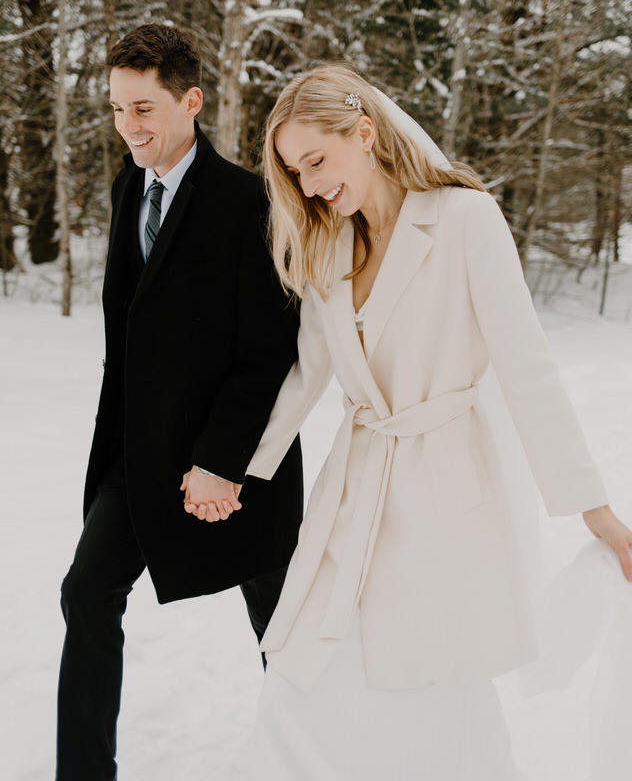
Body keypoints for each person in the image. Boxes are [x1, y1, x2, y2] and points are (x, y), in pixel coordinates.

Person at [244, 65, 632, 780]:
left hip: (446, 494)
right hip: (354, 491)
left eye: (317, 161)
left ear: (364, 133)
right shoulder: (330, 243)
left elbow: (528, 368)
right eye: (296, 171)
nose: (309, 184)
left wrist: (595, 511)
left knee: (439, 696)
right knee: (299, 681)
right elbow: (307, 371)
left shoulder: (463, 219)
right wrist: (237, 467)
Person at [56, 23, 303, 781]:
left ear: (190, 100)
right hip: (137, 460)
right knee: (86, 594)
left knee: (284, 632)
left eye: (143, 109)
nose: (128, 128)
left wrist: (219, 463)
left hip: (236, 466)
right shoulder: (127, 186)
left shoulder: (249, 203)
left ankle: (319, 760)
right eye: (117, 109)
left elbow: (271, 354)